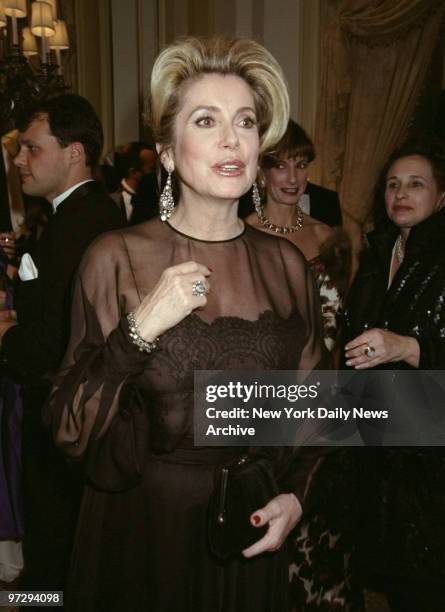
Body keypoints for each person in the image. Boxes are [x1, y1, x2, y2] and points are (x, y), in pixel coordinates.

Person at [44, 36, 328, 612]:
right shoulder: (115, 256)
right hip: (146, 535)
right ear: (168, 153)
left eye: (245, 122)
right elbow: (68, 429)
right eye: (206, 120)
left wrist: (296, 496)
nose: (231, 138)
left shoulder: (286, 265)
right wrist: (140, 328)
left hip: (252, 526)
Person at [0, 94, 125, 595]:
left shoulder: (81, 225)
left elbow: (56, 344)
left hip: (63, 416)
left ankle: (38, 600)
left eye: (31, 148)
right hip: (71, 415)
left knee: (57, 545)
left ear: (74, 152)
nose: (18, 160)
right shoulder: (80, 214)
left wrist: (7, 335)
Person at [343, 140, 445, 611]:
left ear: (442, 196)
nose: (401, 193)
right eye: (392, 184)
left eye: (416, 184)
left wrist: (411, 347)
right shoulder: (379, 251)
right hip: (378, 440)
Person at [245, 120, 351, 352]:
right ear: (262, 172)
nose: (293, 179)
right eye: (281, 167)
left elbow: (334, 323)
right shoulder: (241, 237)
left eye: (301, 165)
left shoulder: (326, 238)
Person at [110, 141, 157, 224]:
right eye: (152, 169)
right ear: (134, 173)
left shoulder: (155, 200)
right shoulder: (111, 202)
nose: (155, 174)